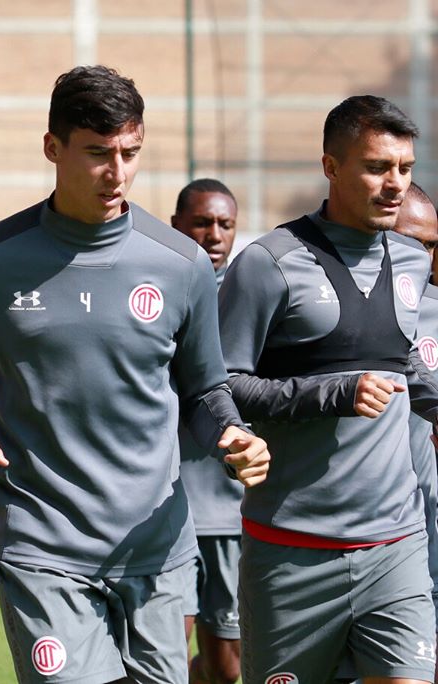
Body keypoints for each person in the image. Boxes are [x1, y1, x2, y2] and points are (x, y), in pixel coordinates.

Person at [0, 65, 270, 684]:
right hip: (42, 546)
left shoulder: (180, 263)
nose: (117, 173)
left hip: (156, 548)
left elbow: (205, 388)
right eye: (97, 153)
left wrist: (232, 433)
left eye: (130, 153)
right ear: (52, 148)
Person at [218, 95, 438, 684]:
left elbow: (403, 371)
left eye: (405, 169)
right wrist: (330, 393)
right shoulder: (268, 264)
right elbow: (221, 385)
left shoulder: (413, 260)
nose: (395, 184)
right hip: (291, 551)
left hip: (396, 544)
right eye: (376, 167)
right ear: (331, 166)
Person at [171, 179, 242, 684]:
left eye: (224, 224)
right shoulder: (159, 293)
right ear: (177, 225)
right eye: (201, 222)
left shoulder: (249, 298)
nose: (213, 234)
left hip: (234, 511)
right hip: (168, 507)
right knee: (165, 653)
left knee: (224, 666)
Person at [395, 182, 438, 683]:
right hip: (350, 533)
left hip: (429, 536)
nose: (423, 257)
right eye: (412, 242)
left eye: (430, 245)